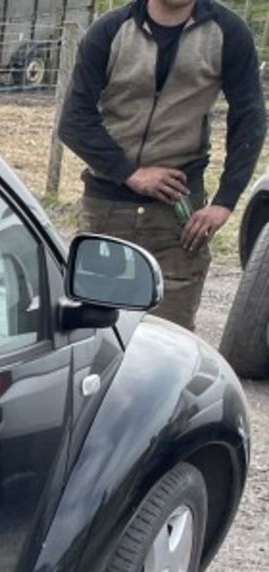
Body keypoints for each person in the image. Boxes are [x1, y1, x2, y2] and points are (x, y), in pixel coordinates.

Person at [58, 0, 266, 330]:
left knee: (171, 340)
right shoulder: (110, 30)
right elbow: (73, 121)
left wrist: (224, 203)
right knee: (91, 332)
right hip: (106, 210)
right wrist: (130, 173)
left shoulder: (228, 32)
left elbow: (250, 119)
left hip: (180, 218)